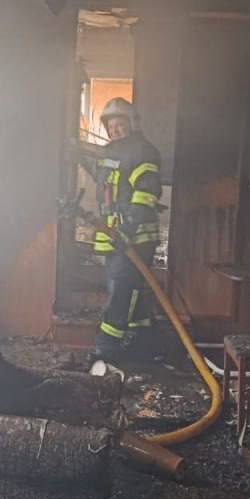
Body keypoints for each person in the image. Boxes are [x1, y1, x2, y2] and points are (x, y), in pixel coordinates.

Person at [89, 96, 162, 369]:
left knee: (121, 293)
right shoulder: (110, 152)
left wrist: (128, 226)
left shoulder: (143, 152)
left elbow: (146, 191)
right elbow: (106, 184)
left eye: (120, 125)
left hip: (135, 237)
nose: (115, 130)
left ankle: (106, 350)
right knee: (133, 292)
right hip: (114, 236)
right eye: (111, 127)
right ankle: (144, 345)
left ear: (132, 124)